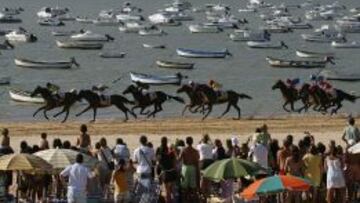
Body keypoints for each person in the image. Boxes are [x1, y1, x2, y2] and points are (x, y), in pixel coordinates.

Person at [156, 137, 177, 203]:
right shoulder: (170, 151)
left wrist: (158, 173)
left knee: (167, 192)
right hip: (172, 172)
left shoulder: (159, 150)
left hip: (165, 173)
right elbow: (174, 162)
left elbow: (158, 162)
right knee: (172, 191)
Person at [178, 136, 200, 202]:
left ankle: (185, 201)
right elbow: (197, 160)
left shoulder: (184, 150)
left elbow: (179, 159)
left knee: (184, 188)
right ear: (192, 142)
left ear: (186, 142)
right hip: (193, 168)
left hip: (185, 168)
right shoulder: (195, 151)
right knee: (193, 188)